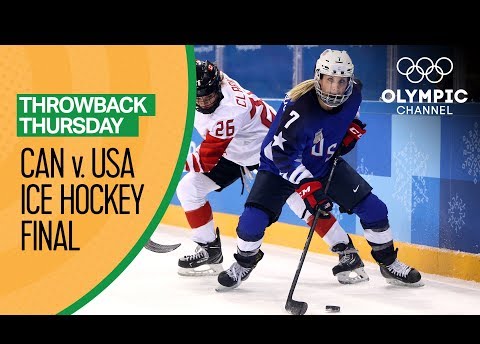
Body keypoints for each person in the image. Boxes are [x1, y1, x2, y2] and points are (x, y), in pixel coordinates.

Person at [216, 49, 424, 291]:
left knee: (375, 209)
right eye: (330, 79)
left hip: (322, 164)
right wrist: (307, 187)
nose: (335, 87)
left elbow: (352, 111)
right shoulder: (297, 109)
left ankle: (389, 263)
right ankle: (244, 263)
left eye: (341, 81)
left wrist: (351, 128)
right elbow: (279, 154)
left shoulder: (354, 91)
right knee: (251, 223)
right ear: (319, 78)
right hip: (278, 169)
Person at [177, 59, 369, 284]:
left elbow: (205, 161)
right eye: (198, 97)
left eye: (208, 96)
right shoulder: (210, 82)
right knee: (189, 188)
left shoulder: (230, 111)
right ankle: (208, 248)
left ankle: (347, 251)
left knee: (301, 202)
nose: (204, 102)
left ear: (218, 87)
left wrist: (163, 167)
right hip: (236, 148)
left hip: (271, 150)